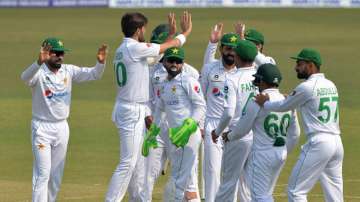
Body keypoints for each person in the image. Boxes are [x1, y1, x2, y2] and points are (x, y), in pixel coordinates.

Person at [106, 11, 192, 202]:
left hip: (131, 108)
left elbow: (156, 55)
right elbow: (169, 47)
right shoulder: (135, 48)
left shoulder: (124, 49)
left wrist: (170, 34)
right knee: (128, 163)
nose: (145, 31)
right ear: (138, 30)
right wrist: (184, 34)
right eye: (143, 28)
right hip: (132, 110)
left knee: (137, 164)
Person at [20, 37, 108, 202]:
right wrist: (38, 62)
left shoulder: (68, 71)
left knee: (55, 175)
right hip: (41, 128)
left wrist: (100, 64)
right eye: (56, 53)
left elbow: (94, 75)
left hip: (61, 128)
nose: (60, 56)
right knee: (43, 173)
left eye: (62, 53)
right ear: (46, 53)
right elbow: (24, 78)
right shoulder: (38, 73)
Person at [255, 48, 344, 202]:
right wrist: (289, 99)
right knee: (334, 193)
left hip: (319, 142)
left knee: (296, 191)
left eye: (299, 64)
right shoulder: (331, 84)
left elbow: (284, 106)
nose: (296, 67)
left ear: (311, 65)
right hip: (336, 142)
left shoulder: (307, 87)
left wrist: (266, 103)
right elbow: (302, 102)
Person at [222, 63, 300, 201]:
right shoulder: (287, 101)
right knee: (266, 194)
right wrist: (284, 150)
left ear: (262, 81)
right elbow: (295, 134)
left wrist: (229, 135)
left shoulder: (257, 101)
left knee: (259, 196)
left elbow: (242, 129)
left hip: (262, 155)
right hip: (280, 154)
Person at [143, 23, 200, 202]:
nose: (174, 64)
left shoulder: (190, 73)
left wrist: (195, 126)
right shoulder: (150, 70)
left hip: (181, 130)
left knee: (188, 179)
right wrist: (149, 120)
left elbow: (199, 104)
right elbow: (149, 100)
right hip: (158, 128)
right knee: (148, 175)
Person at [150, 47, 206, 201]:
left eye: (178, 61)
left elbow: (201, 106)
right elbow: (159, 110)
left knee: (179, 180)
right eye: (171, 61)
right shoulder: (165, 85)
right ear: (165, 62)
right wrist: (152, 133)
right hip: (174, 136)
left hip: (188, 136)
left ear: (183, 63)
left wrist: (189, 126)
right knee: (181, 177)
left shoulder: (188, 81)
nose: (174, 64)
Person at [211, 40, 258, 201]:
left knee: (228, 183)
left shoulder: (232, 79)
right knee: (247, 185)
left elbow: (229, 113)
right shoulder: (260, 76)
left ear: (238, 57)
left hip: (237, 135)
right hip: (257, 136)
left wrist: (217, 132)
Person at [200, 31, 239, 202]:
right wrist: (201, 125)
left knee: (232, 174)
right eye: (228, 48)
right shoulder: (210, 68)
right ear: (222, 49)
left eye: (234, 49)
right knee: (212, 171)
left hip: (235, 127)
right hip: (213, 126)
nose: (231, 52)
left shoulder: (243, 72)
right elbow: (200, 98)